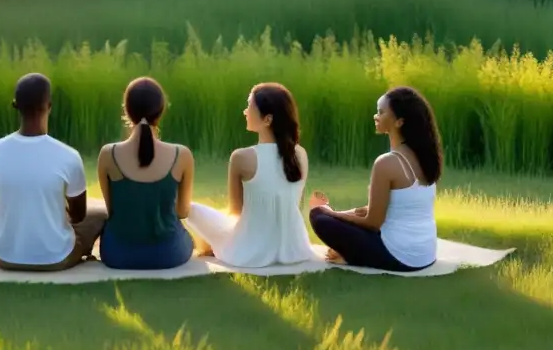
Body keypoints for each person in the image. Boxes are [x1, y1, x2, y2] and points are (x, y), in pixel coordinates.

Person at [0, 73, 107, 271]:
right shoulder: (69, 156)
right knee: (99, 212)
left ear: (15, 105)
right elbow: (78, 216)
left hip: (4, 256)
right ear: (49, 105)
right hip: (56, 258)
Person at [308, 85, 442, 273]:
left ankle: (349, 257)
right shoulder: (425, 157)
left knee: (318, 218)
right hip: (425, 254)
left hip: (400, 258)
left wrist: (328, 212)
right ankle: (348, 251)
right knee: (329, 215)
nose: (375, 116)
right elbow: (381, 210)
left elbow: (373, 222)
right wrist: (341, 212)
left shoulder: (386, 162)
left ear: (399, 122)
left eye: (381, 112)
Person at [185, 82, 315, 268]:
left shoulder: (241, 157)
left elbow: (235, 212)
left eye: (249, 106)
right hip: (294, 247)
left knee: (191, 209)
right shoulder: (300, 154)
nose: (245, 112)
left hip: (248, 251)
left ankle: (209, 246)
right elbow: (293, 204)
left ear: (267, 119)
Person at [97, 77, 195, 270]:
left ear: (126, 110)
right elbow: (182, 212)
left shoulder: (108, 154)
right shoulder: (182, 155)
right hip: (169, 254)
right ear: (161, 111)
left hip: (118, 254)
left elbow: (112, 211)